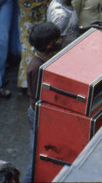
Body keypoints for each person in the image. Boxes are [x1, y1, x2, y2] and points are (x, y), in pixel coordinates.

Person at [23, 22, 61, 183]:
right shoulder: (36, 68)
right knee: (36, 158)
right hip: (39, 116)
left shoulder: (46, 59)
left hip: (43, 114)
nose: (60, 41)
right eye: (56, 39)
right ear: (47, 44)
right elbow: (39, 98)